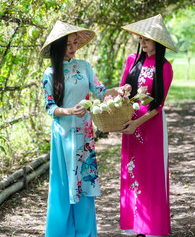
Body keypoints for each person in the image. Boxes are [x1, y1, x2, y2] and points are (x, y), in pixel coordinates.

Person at [40, 20, 130, 237]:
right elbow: (50, 108)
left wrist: (119, 89)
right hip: (63, 135)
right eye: (68, 44)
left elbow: (100, 91)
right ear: (57, 47)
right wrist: (70, 111)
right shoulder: (50, 73)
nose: (73, 48)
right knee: (63, 186)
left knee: (85, 184)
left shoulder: (85, 66)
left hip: (85, 134)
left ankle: (85, 232)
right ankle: (60, 232)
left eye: (75, 43)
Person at [119, 14, 177, 237]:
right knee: (131, 172)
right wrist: (120, 95)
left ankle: (152, 227)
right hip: (130, 123)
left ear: (158, 42)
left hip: (150, 126)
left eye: (148, 40)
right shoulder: (132, 60)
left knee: (151, 174)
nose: (143, 43)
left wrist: (138, 124)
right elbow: (125, 89)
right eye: (141, 39)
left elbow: (158, 105)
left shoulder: (165, 67)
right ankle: (135, 224)